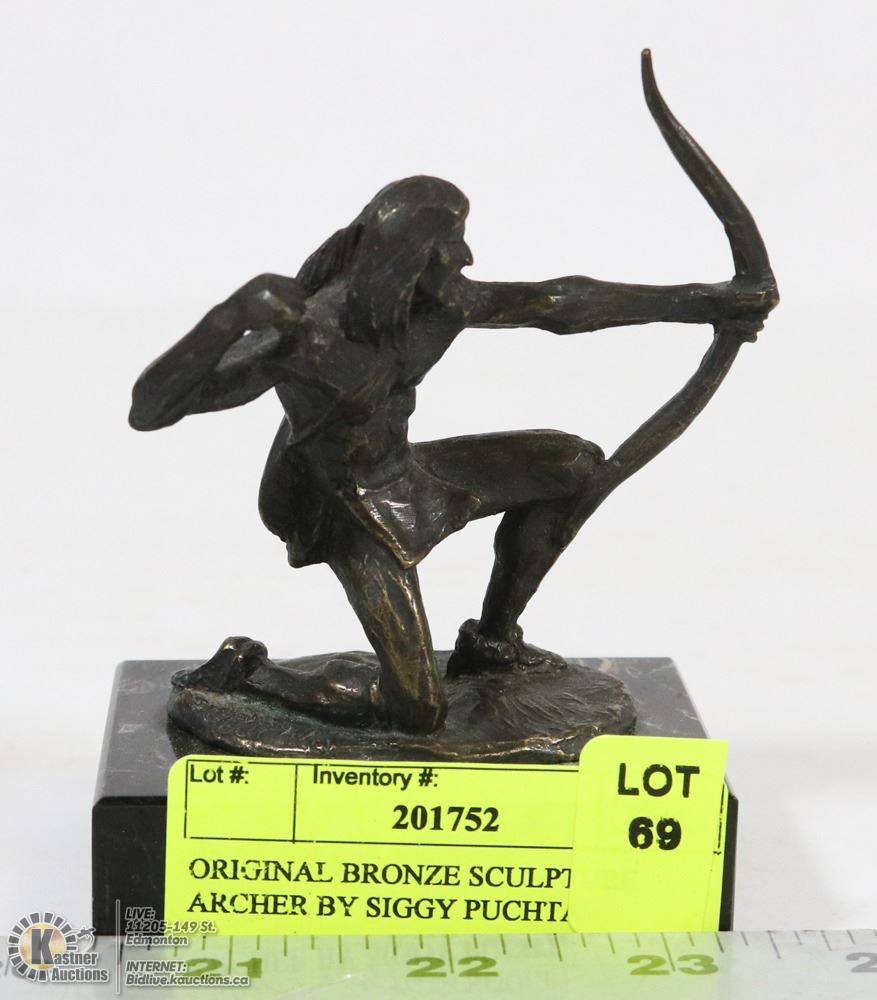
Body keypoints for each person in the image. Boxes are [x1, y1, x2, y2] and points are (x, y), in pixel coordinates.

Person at [130, 173, 775, 734]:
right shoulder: (307, 336)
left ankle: (491, 642)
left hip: (405, 476)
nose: (465, 255)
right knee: (417, 712)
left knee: (572, 468)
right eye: (451, 243)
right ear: (407, 258)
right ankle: (250, 670)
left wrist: (708, 301)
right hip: (342, 508)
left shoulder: (440, 304)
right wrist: (228, 318)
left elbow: (557, 301)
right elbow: (152, 408)